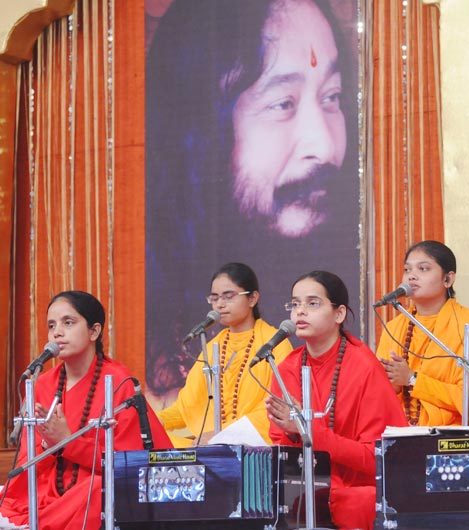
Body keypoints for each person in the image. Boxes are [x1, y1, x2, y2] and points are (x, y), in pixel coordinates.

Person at [144, 0, 361, 404]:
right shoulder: (181, 339)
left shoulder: (322, 343)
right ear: (202, 135)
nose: (326, 145)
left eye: (332, 97)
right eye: (283, 104)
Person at [0, 291, 172, 530]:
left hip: (96, 487)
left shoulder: (119, 383)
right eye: (51, 325)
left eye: (68, 323)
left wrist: (67, 442)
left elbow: (132, 463)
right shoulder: (44, 383)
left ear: (94, 331)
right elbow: (26, 460)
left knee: (95, 491)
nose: (57, 332)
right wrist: (47, 445)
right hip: (50, 486)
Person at [267, 271, 407, 530]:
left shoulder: (364, 367)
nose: (300, 312)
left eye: (312, 303)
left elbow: (378, 459)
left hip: (357, 489)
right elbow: (281, 453)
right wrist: (294, 434)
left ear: (339, 314)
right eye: (295, 304)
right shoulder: (285, 368)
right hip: (304, 489)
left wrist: (308, 431)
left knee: (360, 502)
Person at [157, 262, 293, 447]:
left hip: (254, 445)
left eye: (228, 297)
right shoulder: (212, 347)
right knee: (156, 441)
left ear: (252, 299)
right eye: (214, 298)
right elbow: (187, 406)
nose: (220, 304)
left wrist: (222, 436)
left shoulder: (274, 345)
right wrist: (154, 422)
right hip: (207, 444)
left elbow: (276, 408)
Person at [376, 241, 469, 430]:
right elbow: (379, 397)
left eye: (423, 269)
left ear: (448, 280)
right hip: (402, 436)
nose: (412, 276)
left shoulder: (467, 324)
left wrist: (413, 379)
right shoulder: (395, 329)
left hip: (455, 440)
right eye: (407, 269)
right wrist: (393, 386)